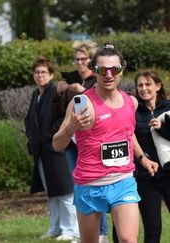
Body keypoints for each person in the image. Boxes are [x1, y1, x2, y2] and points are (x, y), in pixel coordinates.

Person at [52, 43, 159, 243]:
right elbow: (57, 144)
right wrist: (70, 128)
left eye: (114, 69)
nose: (108, 75)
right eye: (102, 70)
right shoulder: (81, 104)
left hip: (123, 181)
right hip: (90, 184)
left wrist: (143, 158)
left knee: (128, 239)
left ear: (121, 71)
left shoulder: (131, 102)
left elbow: (127, 133)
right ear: (94, 71)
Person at [53, 40, 109, 243]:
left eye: (83, 59)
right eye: (76, 59)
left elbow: (104, 104)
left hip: (94, 140)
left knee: (97, 185)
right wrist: (58, 93)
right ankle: (86, 232)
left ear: (91, 60)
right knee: (79, 185)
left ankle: (102, 232)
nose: (79, 63)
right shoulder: (70, 78)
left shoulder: (99, 78)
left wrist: (83, 92)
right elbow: (58, 111)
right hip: (72, 142)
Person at [25, 56, 79, 242]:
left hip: (57, 148)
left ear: (51, 75)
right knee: (51, 193)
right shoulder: (35, 95)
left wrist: (51, 136)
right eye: (37, 72)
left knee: (65, 191)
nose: (40, 75)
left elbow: (62, 116)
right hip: (41, 151)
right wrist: (32, 138)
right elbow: (30, 120)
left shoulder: (55, 92)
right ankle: (55, 227)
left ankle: (71, 230)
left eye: (43, 72)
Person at [133, 70, 170, 243]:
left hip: (169, 173)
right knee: (153, 229)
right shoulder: (134, 112)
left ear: (158, 85)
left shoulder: (169, 108)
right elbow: (130, 142)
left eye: (148, 84)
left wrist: (161, 128)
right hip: (146, 178)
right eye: (140, 85)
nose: (144, 88)